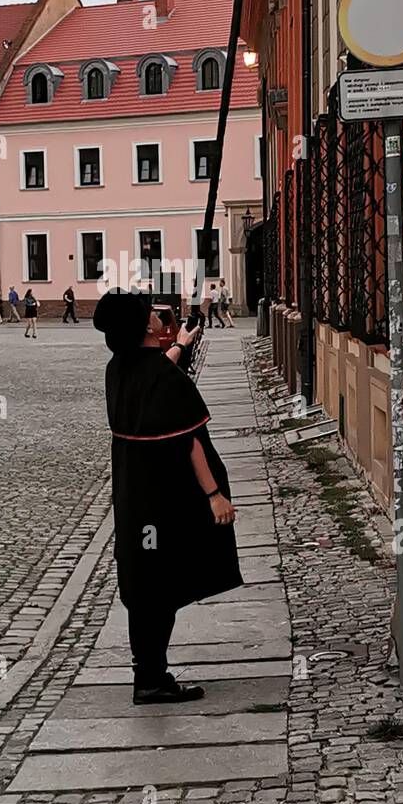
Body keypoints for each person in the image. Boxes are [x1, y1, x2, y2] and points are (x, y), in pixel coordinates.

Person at [93, 290, 241, 704]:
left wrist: (180, 345)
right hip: (165, 496)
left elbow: (152, 375)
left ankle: (149, 674)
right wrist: (214, 495)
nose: (159, 317)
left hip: (134, 497)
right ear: (143, 326)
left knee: (144, 585)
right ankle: (152, 680)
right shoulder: (160, 375)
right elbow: (190, 442)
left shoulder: (118, 368)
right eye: (151, 314)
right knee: (161, 590)